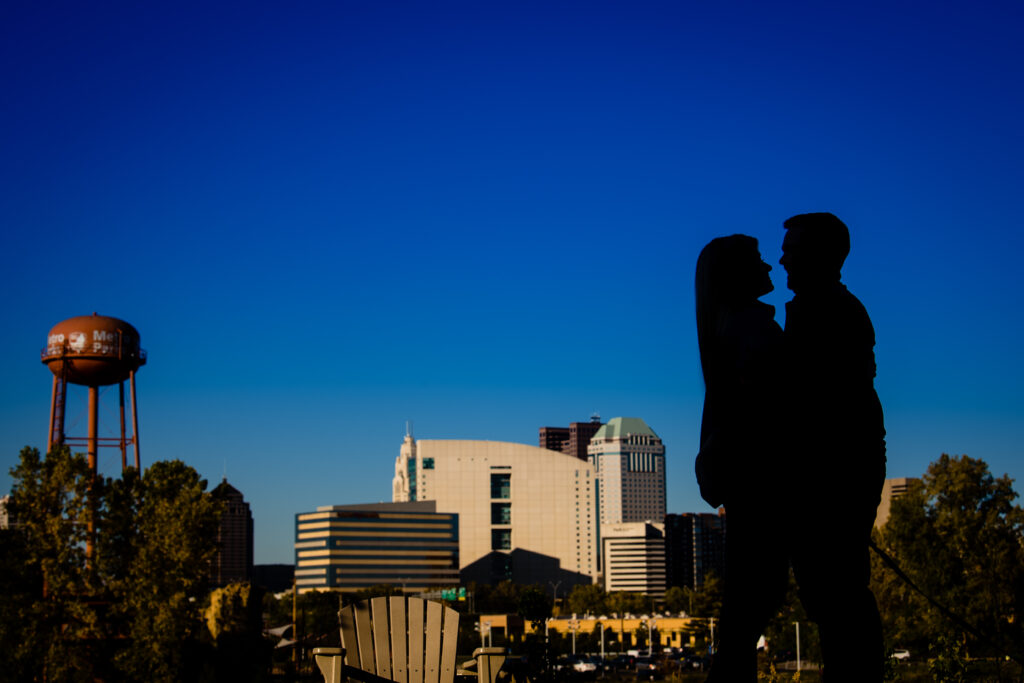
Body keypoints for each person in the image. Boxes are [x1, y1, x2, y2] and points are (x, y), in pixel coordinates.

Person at [779, 212, 886, 681]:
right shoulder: (818, 308)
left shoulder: (829, 312)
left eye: (793, 248)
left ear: (821, 255)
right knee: (829, 594)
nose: (782, 257)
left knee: (838, 592)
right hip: (834, 475)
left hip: (835, 479)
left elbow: (818, 404)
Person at [695, 235, 789, 682]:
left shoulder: (731, 328)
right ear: (736, 275)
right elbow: (759, 411)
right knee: (754, 600)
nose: (771, 267)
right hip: (763, 483)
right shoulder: (751, 329)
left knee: (747, 605)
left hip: (748, 483)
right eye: (759, 261)